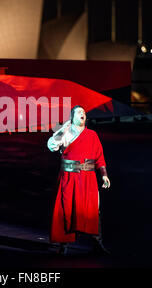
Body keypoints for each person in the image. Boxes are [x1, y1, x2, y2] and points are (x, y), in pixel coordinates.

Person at [47, 105, 111, 255]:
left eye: (84, 112)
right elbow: (51, 146)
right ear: (72, 117)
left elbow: (99, 157)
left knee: (92, 210)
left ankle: (97, 244)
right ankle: (63, 246)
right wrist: (62, 129)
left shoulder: (92, 135)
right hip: (69, 177)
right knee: (66, 209)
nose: (82, 114)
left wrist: (104, 175)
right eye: (79, 112)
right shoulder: (65, 132)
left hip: (88, 178)